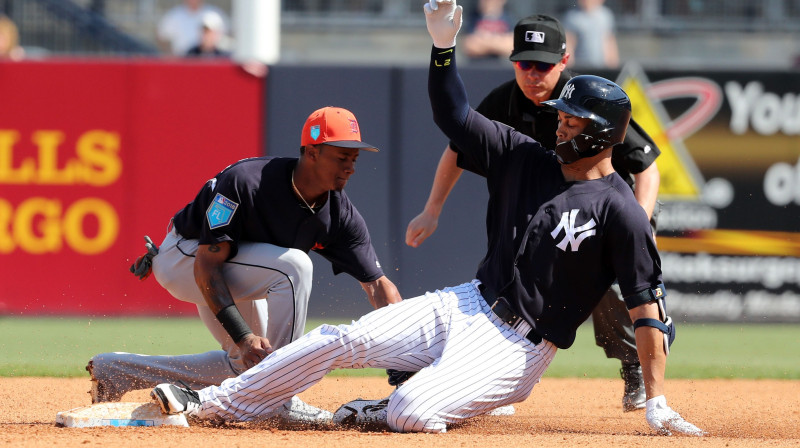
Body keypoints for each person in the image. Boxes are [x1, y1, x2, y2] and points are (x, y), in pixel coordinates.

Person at [146, 0, 703, 437]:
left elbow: (647, 308)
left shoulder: (621, 211)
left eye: (572, 121)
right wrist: (443, 48)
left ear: (603, 132)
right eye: (560, 116)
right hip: (468, 301)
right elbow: (454, 116)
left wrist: (656, 400)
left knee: (412, 408)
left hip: (519, 346)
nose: (559, 124)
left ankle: (377, 411)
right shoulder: (524, 156)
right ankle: (213, 404)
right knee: (342, 338)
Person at [405, 13, 660, 412]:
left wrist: (639, 220)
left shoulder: (588, 99)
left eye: (542, 64)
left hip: (600, 210)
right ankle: (483, 368)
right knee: (507, 271)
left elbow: (646, 166)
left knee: (608, 289)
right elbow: (457, 149)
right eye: (524, 63)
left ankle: (635, 369)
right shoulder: (503, 101)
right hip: (536, 206)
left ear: (563, 61)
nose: (533, 74)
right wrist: (431, 210)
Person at [87, 106, 402, 425]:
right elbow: (206, 266)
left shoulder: (340, 215)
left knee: (249, 365)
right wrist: (241, 334)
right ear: (312, 152)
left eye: (354, 158)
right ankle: (279, 397)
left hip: (232, 271)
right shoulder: (248, 181)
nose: (349, 167)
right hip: (186, 258)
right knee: (295, 267)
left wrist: (405, 362)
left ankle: (117, 370)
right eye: (341, 156)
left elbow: (378, 286)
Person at [157, 0, 229, 56]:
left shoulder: (214, 13)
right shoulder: (174, 15)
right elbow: (162, 38)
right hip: (183, 62)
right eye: (204, 31)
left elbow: (228, 34)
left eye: (208, 32)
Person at [562, 0, 619, 69]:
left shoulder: (606, 16)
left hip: (602, 67)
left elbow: (610, 41)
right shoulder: (572, 17)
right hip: (581, 68)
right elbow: (569, 44)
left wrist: (613, 65)